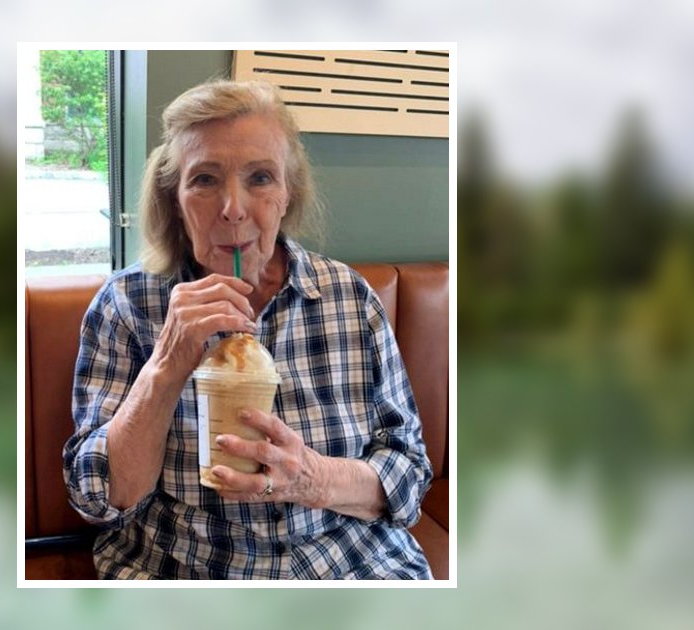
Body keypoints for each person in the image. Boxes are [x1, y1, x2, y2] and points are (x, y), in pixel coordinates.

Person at [63, 79, 433, 579]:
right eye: (205, 179)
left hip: (352, 564)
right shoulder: (128, 304)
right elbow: (100, 498)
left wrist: (313, 478)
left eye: (260, 178)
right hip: (189, 570)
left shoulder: (349, 297)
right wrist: (167, 363)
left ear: (287, 194)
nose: (233, 208)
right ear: (175, 199)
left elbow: (409, 472)